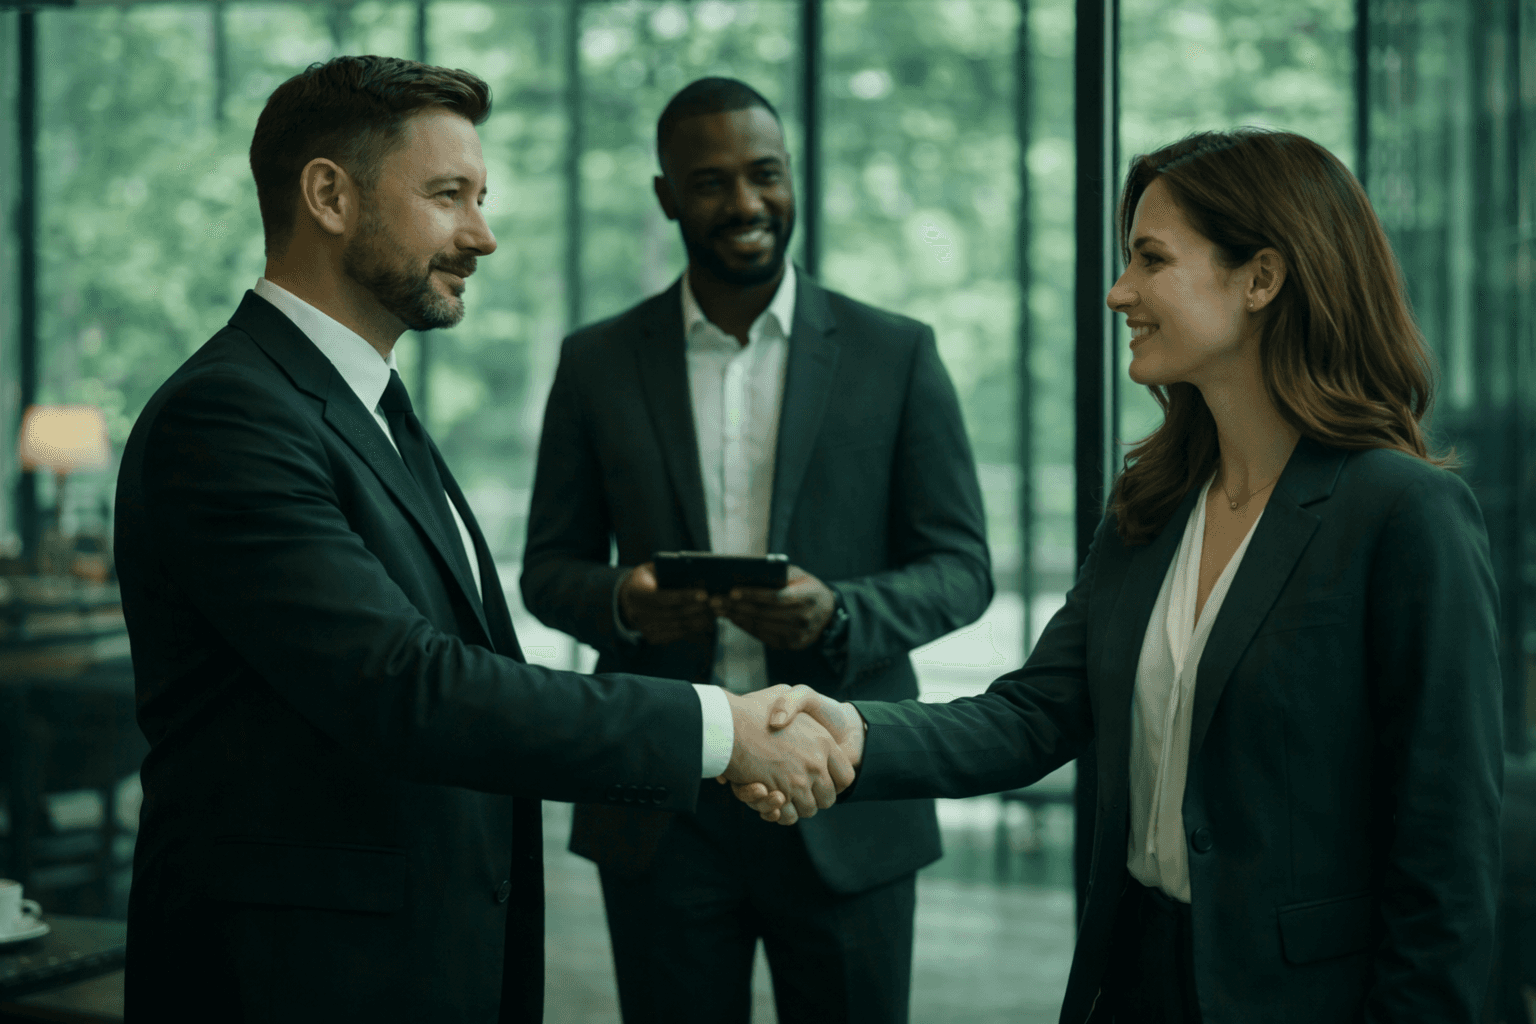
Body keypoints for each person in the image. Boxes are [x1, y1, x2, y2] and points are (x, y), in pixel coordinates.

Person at [113, 56, 855, 1024]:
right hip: (296, 975)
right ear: (329, 195)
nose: (483, 234)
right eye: (448, 195)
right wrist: (719, 730)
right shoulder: (230, 415)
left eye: (483, 197)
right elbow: (408, 684)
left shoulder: (366, 399)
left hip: (406, 956)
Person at [734, 128, 1504, 1023]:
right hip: (1132, 981)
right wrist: (850, 729)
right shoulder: (1153, 501)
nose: (1118, 292)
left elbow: (1446, 860)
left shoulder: (1404, 515)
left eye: (1150, 259)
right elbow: (1033, 714)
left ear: (1261, 278)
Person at [519, 77, 992, 1024]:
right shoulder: (597, 360)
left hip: (847, 790)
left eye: (764, 174)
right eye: (710, 182)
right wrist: (626, 600)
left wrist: (844, 612)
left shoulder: (895, 352)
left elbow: (961, 565)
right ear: (666, 196)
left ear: (792, 176)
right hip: (662, 804)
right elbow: (547, 568)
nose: (744, 203)